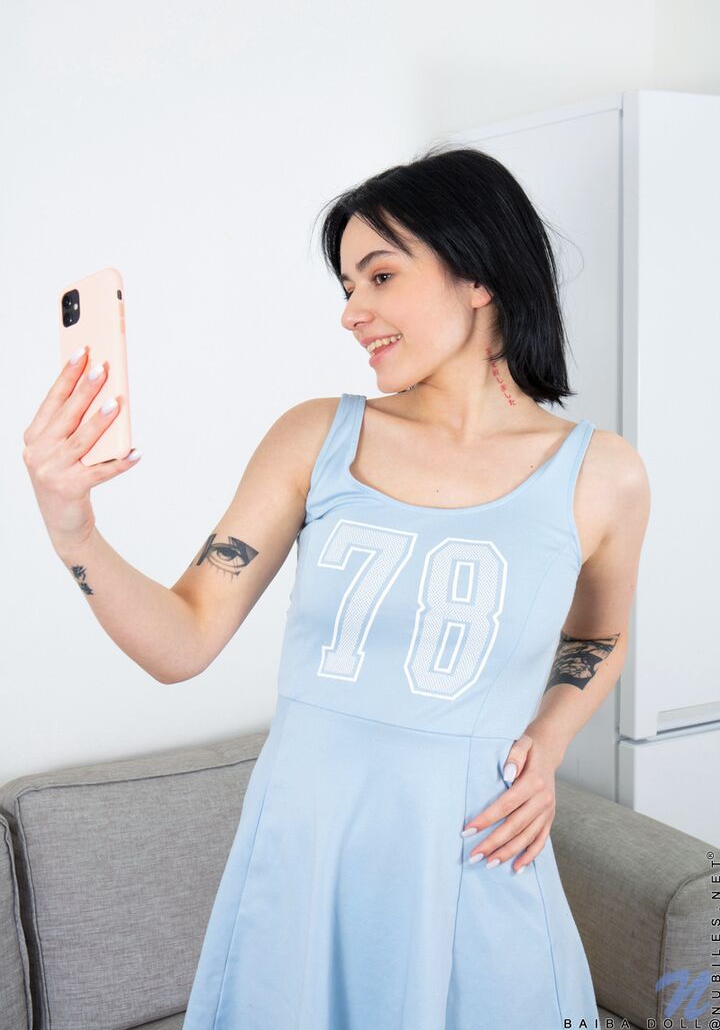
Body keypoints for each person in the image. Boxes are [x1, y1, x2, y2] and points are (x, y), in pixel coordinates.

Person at [24, 144, 650, 1028]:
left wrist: (547, 742)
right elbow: (181, 642)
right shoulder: (316, 437)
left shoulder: (603, 474)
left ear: (479, 274)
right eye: (348, 286)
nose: (353, 312)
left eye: (380, 276)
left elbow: (599, 633)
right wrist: (72, 528)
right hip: (305, 855)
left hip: (474, 855)